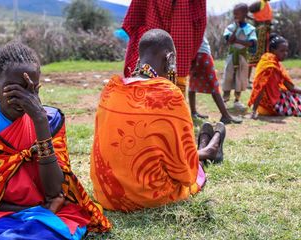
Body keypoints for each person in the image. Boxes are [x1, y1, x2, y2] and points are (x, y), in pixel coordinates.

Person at [0, 42, 111, 239]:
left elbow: (54, 190)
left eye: (31, 90)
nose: (23, 98)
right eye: (14, 89)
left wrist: (39, 122)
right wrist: (36, 207)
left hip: (42, 213)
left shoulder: (50, 120)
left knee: (51, 230)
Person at [90, 29, 226, 212]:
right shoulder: (169, 95)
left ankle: (206, 149)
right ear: (169, 58)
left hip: (107, 193)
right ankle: (209, 150)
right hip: (148, 197)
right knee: (192, 166)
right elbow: (185, 173)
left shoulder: (111, 89)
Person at [121, 0, 207, 95]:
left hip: (152, 37)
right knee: (175, 95)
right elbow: (200, 22)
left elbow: (136, 16)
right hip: (179, 45)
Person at [189, 34, 243, 124]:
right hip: (201, 53)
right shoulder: (195, 20)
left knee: (192, 82)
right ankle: (225, 115)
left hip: (196, 52)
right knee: (214, 85)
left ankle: (193, 112)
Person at [249, 35, 301, 118]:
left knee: (297, 97)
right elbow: (260, 88)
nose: (285, 54)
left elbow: (291, 87)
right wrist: (253, 111)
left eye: (286, 51)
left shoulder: (274, 63)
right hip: (270, 105)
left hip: (276, 98)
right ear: (273, 50)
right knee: (298, 108)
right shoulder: (269, 66)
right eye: (282, 51)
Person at [222, 3, 257, 111]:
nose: (235, 16)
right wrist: (236, 29)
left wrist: (237, 40)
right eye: (234, 14)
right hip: (232, 56)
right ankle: (225, 98)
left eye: (237, 14)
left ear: (244, 14)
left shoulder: (250, 29)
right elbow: (229, 41)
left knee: (240, 78)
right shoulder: (231, 27)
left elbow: (251, 43)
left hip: (242, 56)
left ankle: (237, 100)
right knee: (228, 76)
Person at [248, 0, 273, 87]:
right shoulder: (259, 3)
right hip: (260, 31)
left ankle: (258, 78)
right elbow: (247, 10)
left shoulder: (266, 4)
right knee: (254, 54)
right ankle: (247, 80)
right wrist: (255, 20)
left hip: (265, 30)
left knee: (263, 55)